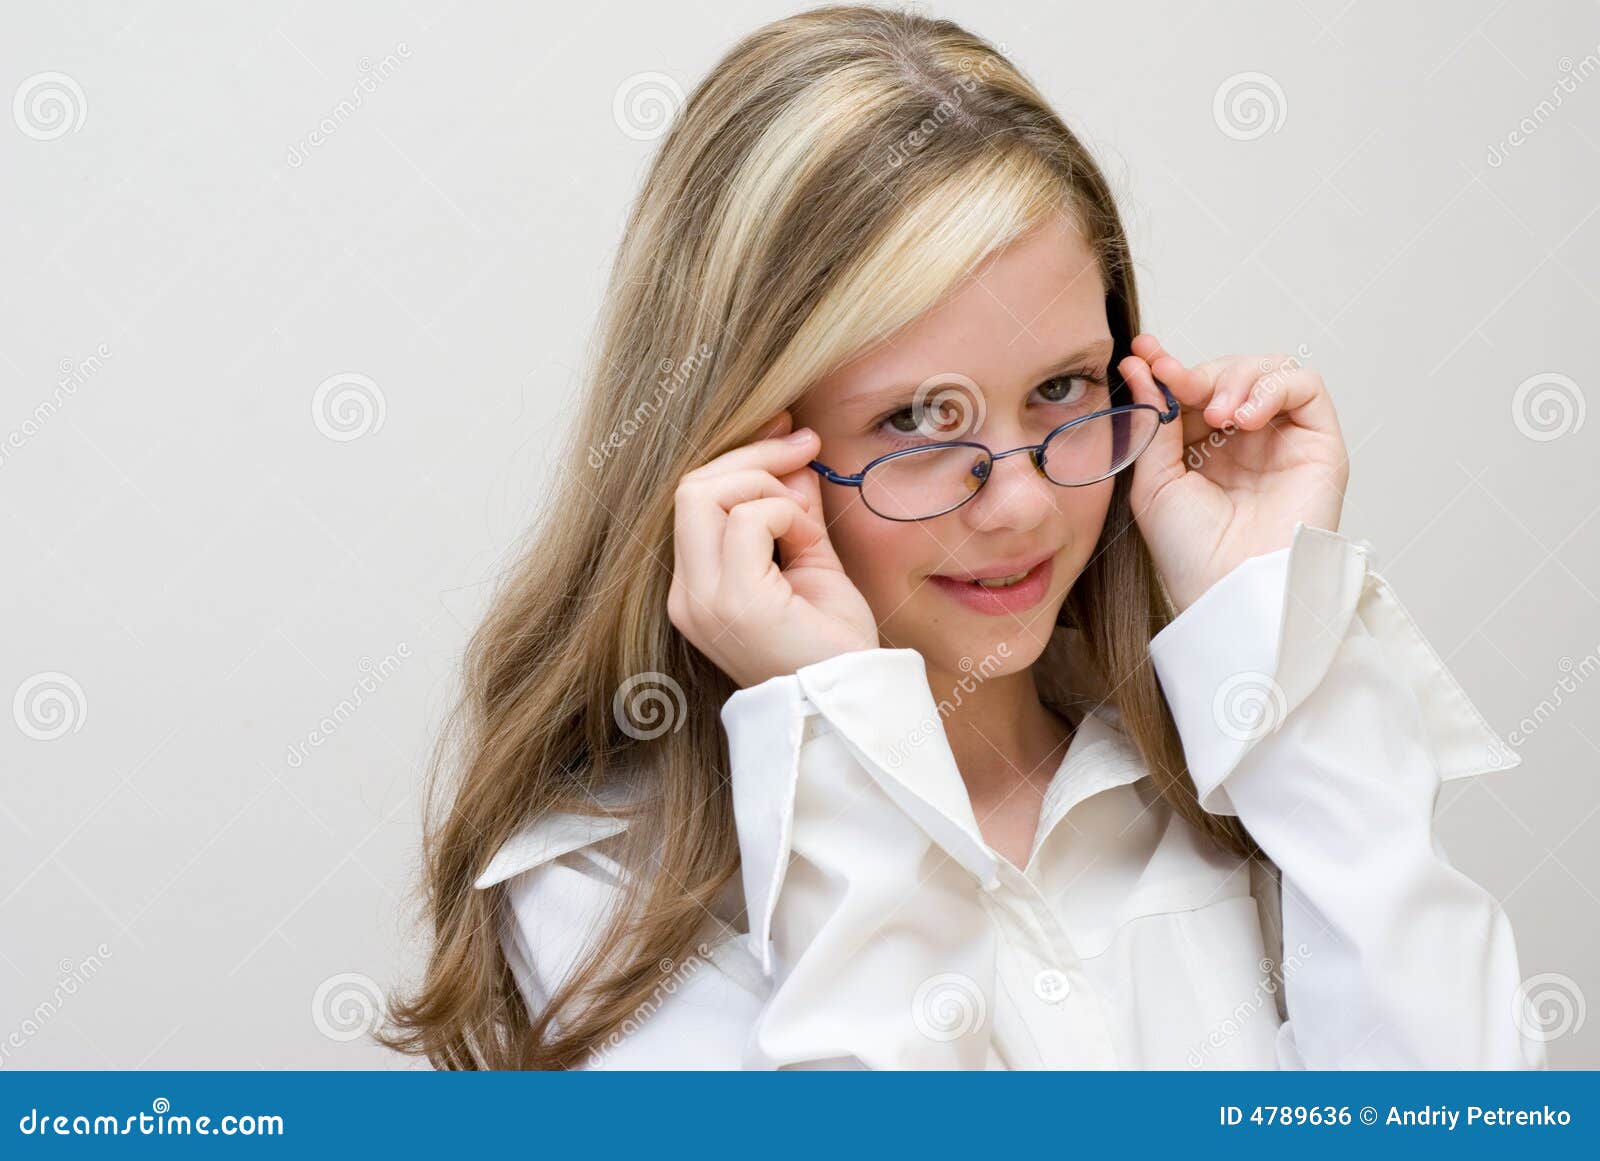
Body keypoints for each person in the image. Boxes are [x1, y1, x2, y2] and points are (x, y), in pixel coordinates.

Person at [381, 3, 1541, 1070]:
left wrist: (1274, 648)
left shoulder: (1227, 792)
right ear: (743, 451)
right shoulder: (600, 898)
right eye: (916, 420)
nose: (1025, 504)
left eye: (1063, 388)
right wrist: (845, 744)